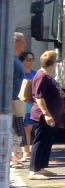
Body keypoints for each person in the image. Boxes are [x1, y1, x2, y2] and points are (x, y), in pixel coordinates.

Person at [28, 50, 65, 179]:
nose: (58, 63)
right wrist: (47, 114)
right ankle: (33, 170)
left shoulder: (48, 76)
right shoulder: (42, 76)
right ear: (53, 63)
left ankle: (41, 167)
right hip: (42, 116)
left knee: (46, 142)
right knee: (39, 141)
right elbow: (39, 98)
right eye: (57, 61)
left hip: (51, 116)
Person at [11, 31, 26, 168]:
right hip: (9, 102)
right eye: (23, 41)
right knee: (15, 131)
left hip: (15, 100)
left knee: (17, 132)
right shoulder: (10, 60)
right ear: (15, 42)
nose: (25, 44)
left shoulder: (16, 60)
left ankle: (15, 157)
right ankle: (14, 158)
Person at [18, 50, 35, 164]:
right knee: (25, 129)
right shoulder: (19, 74)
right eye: (28, 60)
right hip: (21, 105)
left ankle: (28, 152)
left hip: (33, 105)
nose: (31, 62)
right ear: (22, 61)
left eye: (32, 60)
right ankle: (26, 152)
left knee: (29, 128)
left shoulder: (35, 74)